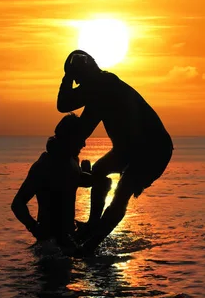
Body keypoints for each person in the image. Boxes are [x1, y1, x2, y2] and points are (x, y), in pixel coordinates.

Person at [57, 50, 173, 253]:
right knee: (100, 169)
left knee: (122, 191)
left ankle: (90, 245)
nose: (79, 85)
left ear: (87, 75)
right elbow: (72, 117)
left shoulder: (105, 86)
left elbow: (66, 106)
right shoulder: (97, 92)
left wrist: (66, 79)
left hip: (153, 150)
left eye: (78, 79)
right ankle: (93, 227)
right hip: (129, 149)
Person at [11, 113, 110, 251]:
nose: (84, 144)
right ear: (69, 138)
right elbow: (18, 203)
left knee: (105, 182)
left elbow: (71, 182)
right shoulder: (44, 166)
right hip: (50, 242)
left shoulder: (73, 160)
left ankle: (91, 226)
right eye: (81, 139)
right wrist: (34, 227)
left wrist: (90, 176)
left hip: (70, 236)